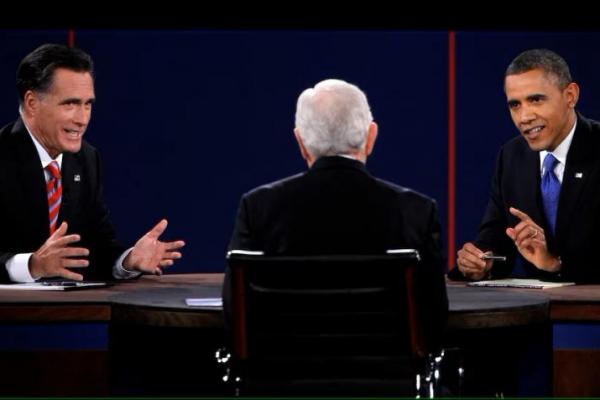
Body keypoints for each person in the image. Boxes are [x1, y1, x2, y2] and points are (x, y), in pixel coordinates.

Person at [224, 78, 448, 348]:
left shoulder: (258, 207)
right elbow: (434, 321)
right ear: (371, 137)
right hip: (388, 384)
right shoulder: (417, 211)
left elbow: (235, 314)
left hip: (281, 383)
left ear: (301, 143)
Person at [0, 43, 185, 283]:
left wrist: (128, 261)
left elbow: (97, 246)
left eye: (88, 104)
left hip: (68, 313)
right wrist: (33, 265)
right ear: (32, 103)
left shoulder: (86, 159)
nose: (83, 119)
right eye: (70, 104)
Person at [455, 48, 600, 283]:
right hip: (539, 312)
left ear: (570, 95)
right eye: (515, 105)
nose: (524, 117)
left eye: (536, 99)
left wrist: (556, 263)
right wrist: (482, 261)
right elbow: (496, 236)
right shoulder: (512, 156)